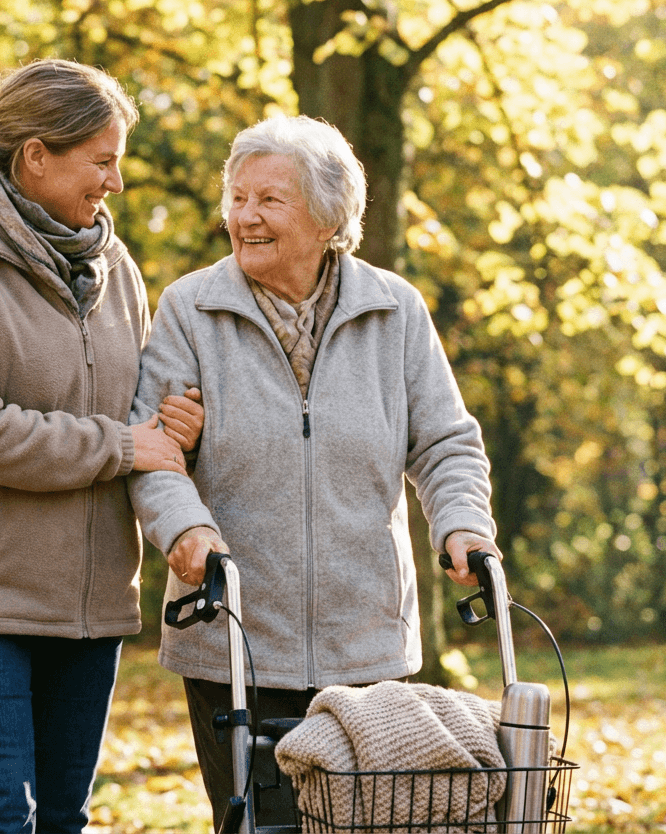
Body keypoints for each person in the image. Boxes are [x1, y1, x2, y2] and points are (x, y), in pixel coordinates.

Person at [127, 115, 503, 828]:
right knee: (255, 825)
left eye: (270, 200)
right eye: (237, 198)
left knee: (373, 824)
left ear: (329, 215)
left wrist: (462, 524)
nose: (245, 217)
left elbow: (447, 441)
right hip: (232, 635)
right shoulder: (189, 308)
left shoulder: (394, 311)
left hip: (365, 644)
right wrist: (182, 528)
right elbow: (153, 451)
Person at [0, 59, 203, 834]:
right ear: (36, 157)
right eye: (102, 160)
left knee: (64, 819)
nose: (116, 183)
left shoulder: (115, 267)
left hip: (89, 601)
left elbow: (136, 411)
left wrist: (176, 425)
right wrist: (123, 445)